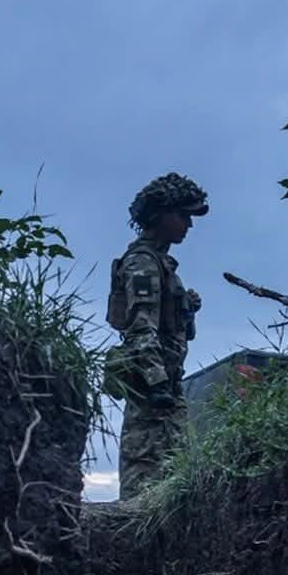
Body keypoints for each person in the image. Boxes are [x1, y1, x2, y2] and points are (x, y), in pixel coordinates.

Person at [105, 173, 207, 501]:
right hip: (153, 393)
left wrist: (184, 307)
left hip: (167, 389)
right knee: (144, 487)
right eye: (181, 215)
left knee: (175, 485)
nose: (188, 225)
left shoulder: (162, 265)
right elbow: (139, 327)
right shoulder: (143, 264)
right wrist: (157, 383)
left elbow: (162, 325)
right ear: (158, 215)